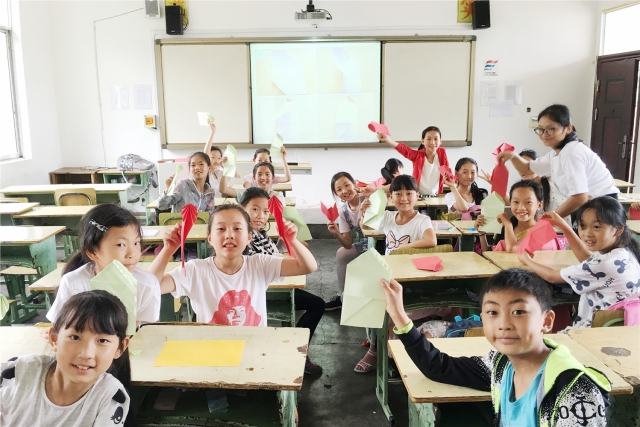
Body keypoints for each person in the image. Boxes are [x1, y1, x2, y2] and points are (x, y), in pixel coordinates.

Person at [381, 268, 611, 426]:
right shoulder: (501, 364)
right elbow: (440, 367)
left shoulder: (573, 391)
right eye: (493, 312)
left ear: (547, 321)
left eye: (518, 312)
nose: (504, 324)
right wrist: (399, 316)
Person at [147, 204, 317, 328]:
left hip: (253, 350)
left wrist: (292, 241)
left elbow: (308, 267)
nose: (229, 235)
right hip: (213, 353)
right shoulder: (195, 271)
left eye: (237, 228)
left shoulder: (260, 264)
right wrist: (168, 250)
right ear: (210, 238)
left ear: (249, 237)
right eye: (221, 229)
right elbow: (150, 286)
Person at [1, 291, 132, 427]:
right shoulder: (18, 373)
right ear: (54, 339)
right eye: (75, 337)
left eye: (102, 341)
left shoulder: (111, 397)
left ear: (120, 348)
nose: (86, 354)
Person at [354, 175, 437, 373]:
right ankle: (375, 344)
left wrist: (403, 249)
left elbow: (431, 240)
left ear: (417, 195)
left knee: (381, 303)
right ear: (390, 197)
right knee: (368, 297)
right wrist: (364, 212)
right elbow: (365, 227)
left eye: (409, 193)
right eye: (398, 194)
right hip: (390, 275)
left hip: (411, 277)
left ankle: (376, 349)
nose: (404, 198)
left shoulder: (422, 220)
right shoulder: (388, 217)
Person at [238, 187, 325, 375]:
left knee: (316, 303)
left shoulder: (260, 233)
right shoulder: (243, 238)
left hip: (275, 286)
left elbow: (274, 257)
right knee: (317, 305)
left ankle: (297, 349)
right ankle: (298, 352)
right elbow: (262, 267)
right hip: (263, 293)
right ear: (241, 208)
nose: (261, 216)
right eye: (255, 209)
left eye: (265, 211)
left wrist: (289, 242)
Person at [518, 196, 640, 329]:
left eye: (596, 227)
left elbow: (553, 277)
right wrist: (563, 225)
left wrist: (527, 260)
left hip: (593, 330)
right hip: (618, 327)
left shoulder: (604, 264)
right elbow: (589, 260)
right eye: (582, 226)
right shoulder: (626, 253)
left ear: (618, 229)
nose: (587, 233)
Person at [497, 104, 618, 224]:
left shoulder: (571, 152)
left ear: (568, 128)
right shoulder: (556, 154)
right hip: (589, 207)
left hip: (602, 208)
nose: (544, 134)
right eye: (540, 129)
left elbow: (580, 197)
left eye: (551, 129)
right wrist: (512, 156)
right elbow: (528, 169)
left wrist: (550, 218)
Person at [46, 204, 160, 329]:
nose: (132, 254)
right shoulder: (73, 283)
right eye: (121, 245)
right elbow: (59, 325)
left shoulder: (147, 284)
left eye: (136, 243)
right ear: (92, 252)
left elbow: (139, 329)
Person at [324, 172, 368, 311]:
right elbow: (348, 244)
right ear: (336, 194)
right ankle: (341, 296)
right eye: (339, 189)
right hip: (367, 244)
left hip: (383, 242)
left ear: (354, 184)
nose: (344, 191)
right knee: (342, 253)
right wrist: (337, 233)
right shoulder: (343, 211)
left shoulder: (368, 200)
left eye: (347, 185)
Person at [475, 180, 554, 253]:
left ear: (539, 205)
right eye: (516, 202)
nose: (521, 207)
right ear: (510, 203)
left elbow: (512, 250)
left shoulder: (542, 231)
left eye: (528, 202)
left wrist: (507, 224)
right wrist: (482, 234)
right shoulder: (509, 225)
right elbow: (490, 254)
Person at [374, 127, 450, 197]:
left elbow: (448, 175)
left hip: (436, 196)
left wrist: (451, 179)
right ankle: (373, 190)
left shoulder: (442, 155)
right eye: (429, 139)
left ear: (440, 141)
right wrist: (387, 140)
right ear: (422, 141)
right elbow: (404, 150)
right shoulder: (417, 156)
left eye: (436, 139)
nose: (432, 142)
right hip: (417, 196)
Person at [220, 162, 285, 205]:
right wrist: (226, 170)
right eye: (259, 174)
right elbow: (224, 190)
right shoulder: (246, 193)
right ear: (254, 177)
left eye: (267, 174)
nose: (263, 178)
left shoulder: (278, 196)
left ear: (273, 177)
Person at [202, 120, 224, 197]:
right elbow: (205, 154)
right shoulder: (206, 173)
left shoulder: (218, 173)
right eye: (213, 157)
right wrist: (212, 132)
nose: (216, 160)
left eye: (219, 158)